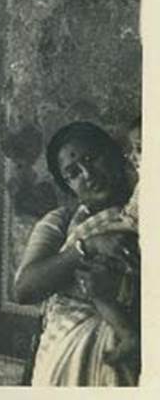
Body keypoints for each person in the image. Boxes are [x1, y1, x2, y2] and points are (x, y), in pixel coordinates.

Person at [15, 121, 139, 386]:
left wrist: (121, 290)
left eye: (91, 158)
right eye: (73, 172)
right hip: (66, 349)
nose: (87, 174)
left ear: (114, 154)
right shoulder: (61, 222)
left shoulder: (143, 209)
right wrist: (88, 247)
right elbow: (25, 289)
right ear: (67, 185)